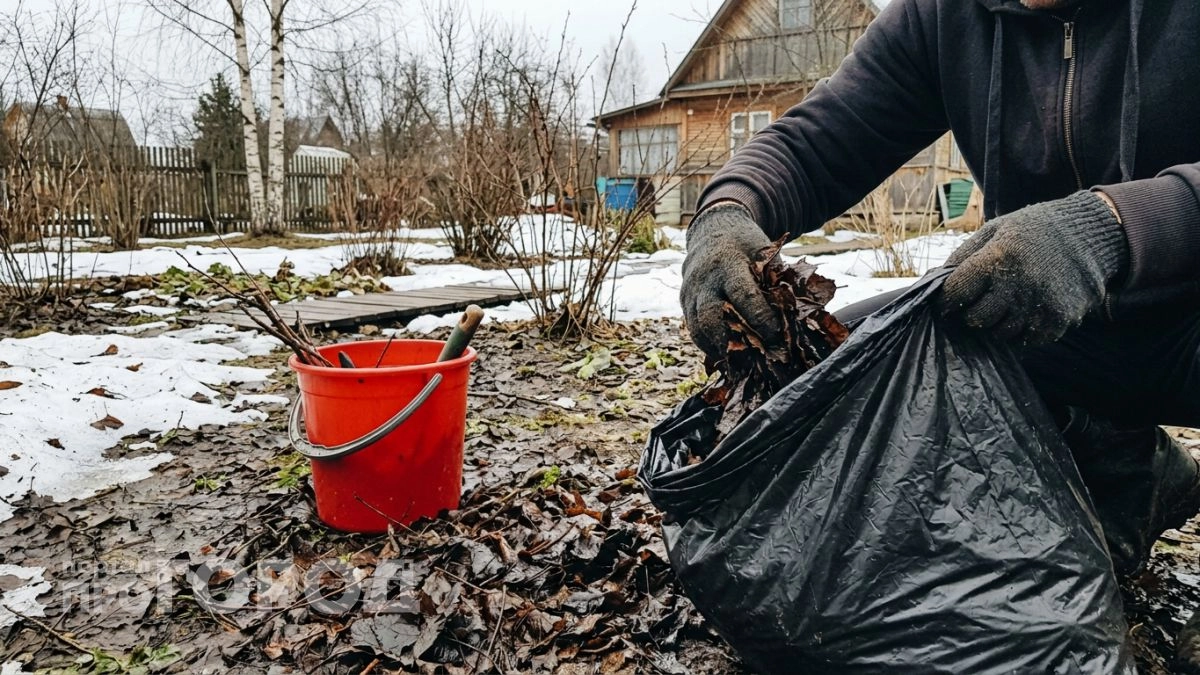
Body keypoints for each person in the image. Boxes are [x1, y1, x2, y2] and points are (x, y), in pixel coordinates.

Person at [681, 0, 1200, 607]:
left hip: (1187, 318)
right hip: (1051, 320)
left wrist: (1111, 227)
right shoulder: (943, 16)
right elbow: (820, 141)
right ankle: (1122, 471)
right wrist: (726, 212)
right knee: (845, 366)